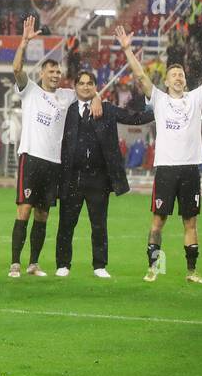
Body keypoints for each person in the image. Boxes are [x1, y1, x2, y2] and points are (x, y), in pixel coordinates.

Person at [116, 27, 202, 284]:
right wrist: (126, 49)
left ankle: (192, 272)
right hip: (166, 169)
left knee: (190, 222)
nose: (178, 77)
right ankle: (154, 268)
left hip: (190, 168)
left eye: (181, 74)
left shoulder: (195, 97)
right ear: (166, 82)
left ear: (185, 80)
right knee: (158, 220)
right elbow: (140, 75)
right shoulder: (157, 99)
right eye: (173, 75)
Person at [56, 68, 154, 278]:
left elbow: (135, 119)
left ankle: (99, 265)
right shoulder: (67, 111)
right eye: (81, 83)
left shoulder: (107, 110)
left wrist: (161, 108)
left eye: (89, 83)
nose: (85, 86)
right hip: (72, 177)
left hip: (99, 178)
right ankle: (63, 264)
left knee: (99, 224)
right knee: (66, 223)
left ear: (95, 87)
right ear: (75, 87)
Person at [9, 16, 76, 278]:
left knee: (43, 214)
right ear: (42, 73)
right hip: (32, 158)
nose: (55, 74)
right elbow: (16, 69)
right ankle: (15, 262)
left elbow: (87, 90)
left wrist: (97, 98)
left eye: (58, 71)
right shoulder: (31, 91)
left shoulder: (65, 96)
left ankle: (34, 263)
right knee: (24, 210)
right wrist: (23, 43)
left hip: (53, 163)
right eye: (51, 71)